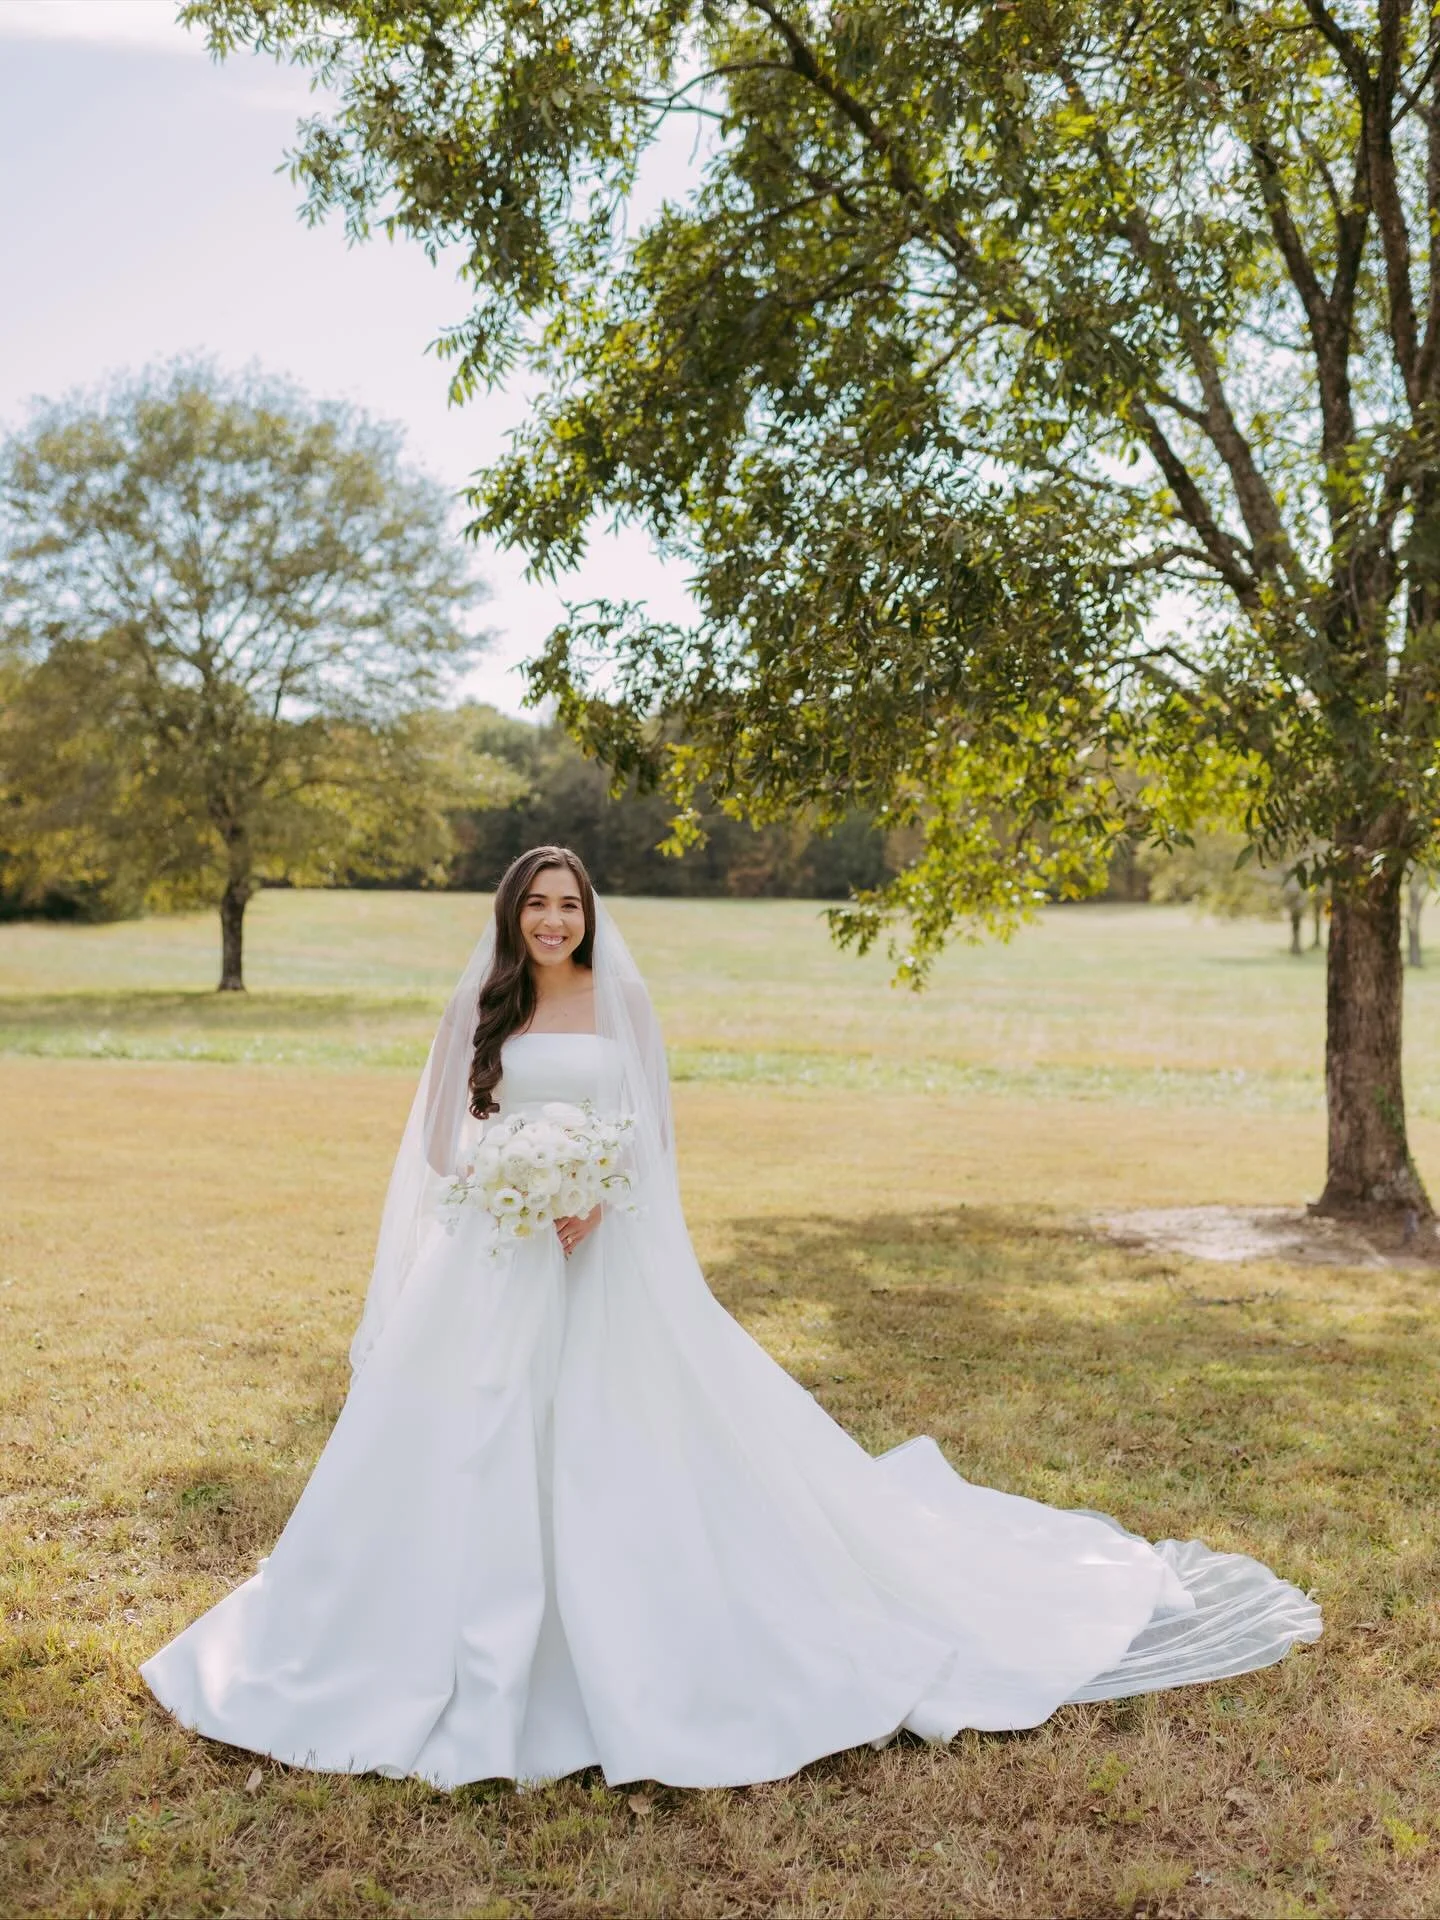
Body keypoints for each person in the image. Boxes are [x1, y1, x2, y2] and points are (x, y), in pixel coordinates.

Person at [142, 845, 1321, 1789]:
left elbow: (654, 1132)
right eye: (537, 905)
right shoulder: (485, 1005)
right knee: (463, 1450)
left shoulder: (621, 998)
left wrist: (592, 1193)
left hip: (601, 1260)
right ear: (511, 917)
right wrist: (516, 1177)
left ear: (588, 915)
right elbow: (443, 1144)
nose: (554, 920)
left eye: (569, 904)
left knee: (627, 1447)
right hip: (495, 1264)